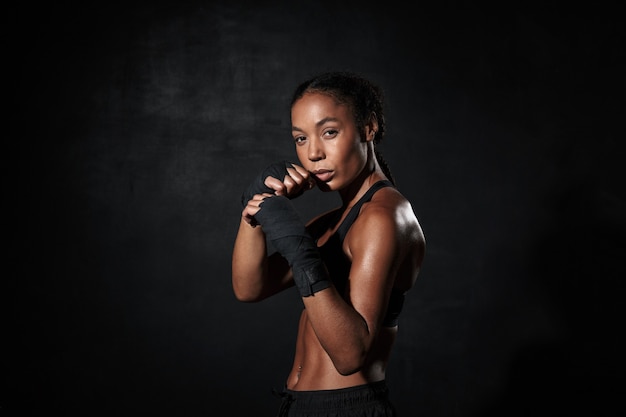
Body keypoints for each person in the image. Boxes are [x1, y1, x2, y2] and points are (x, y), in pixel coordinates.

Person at [232, 71, 426, 416]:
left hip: (347, 408)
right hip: (304, 405)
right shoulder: (336, 220)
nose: (314, 153)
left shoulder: (383, 217)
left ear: (369, 127)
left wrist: (300, 250)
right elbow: (250, 288)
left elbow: (350, 355)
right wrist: (256, 209)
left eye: (329, 132)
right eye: (300, 139)